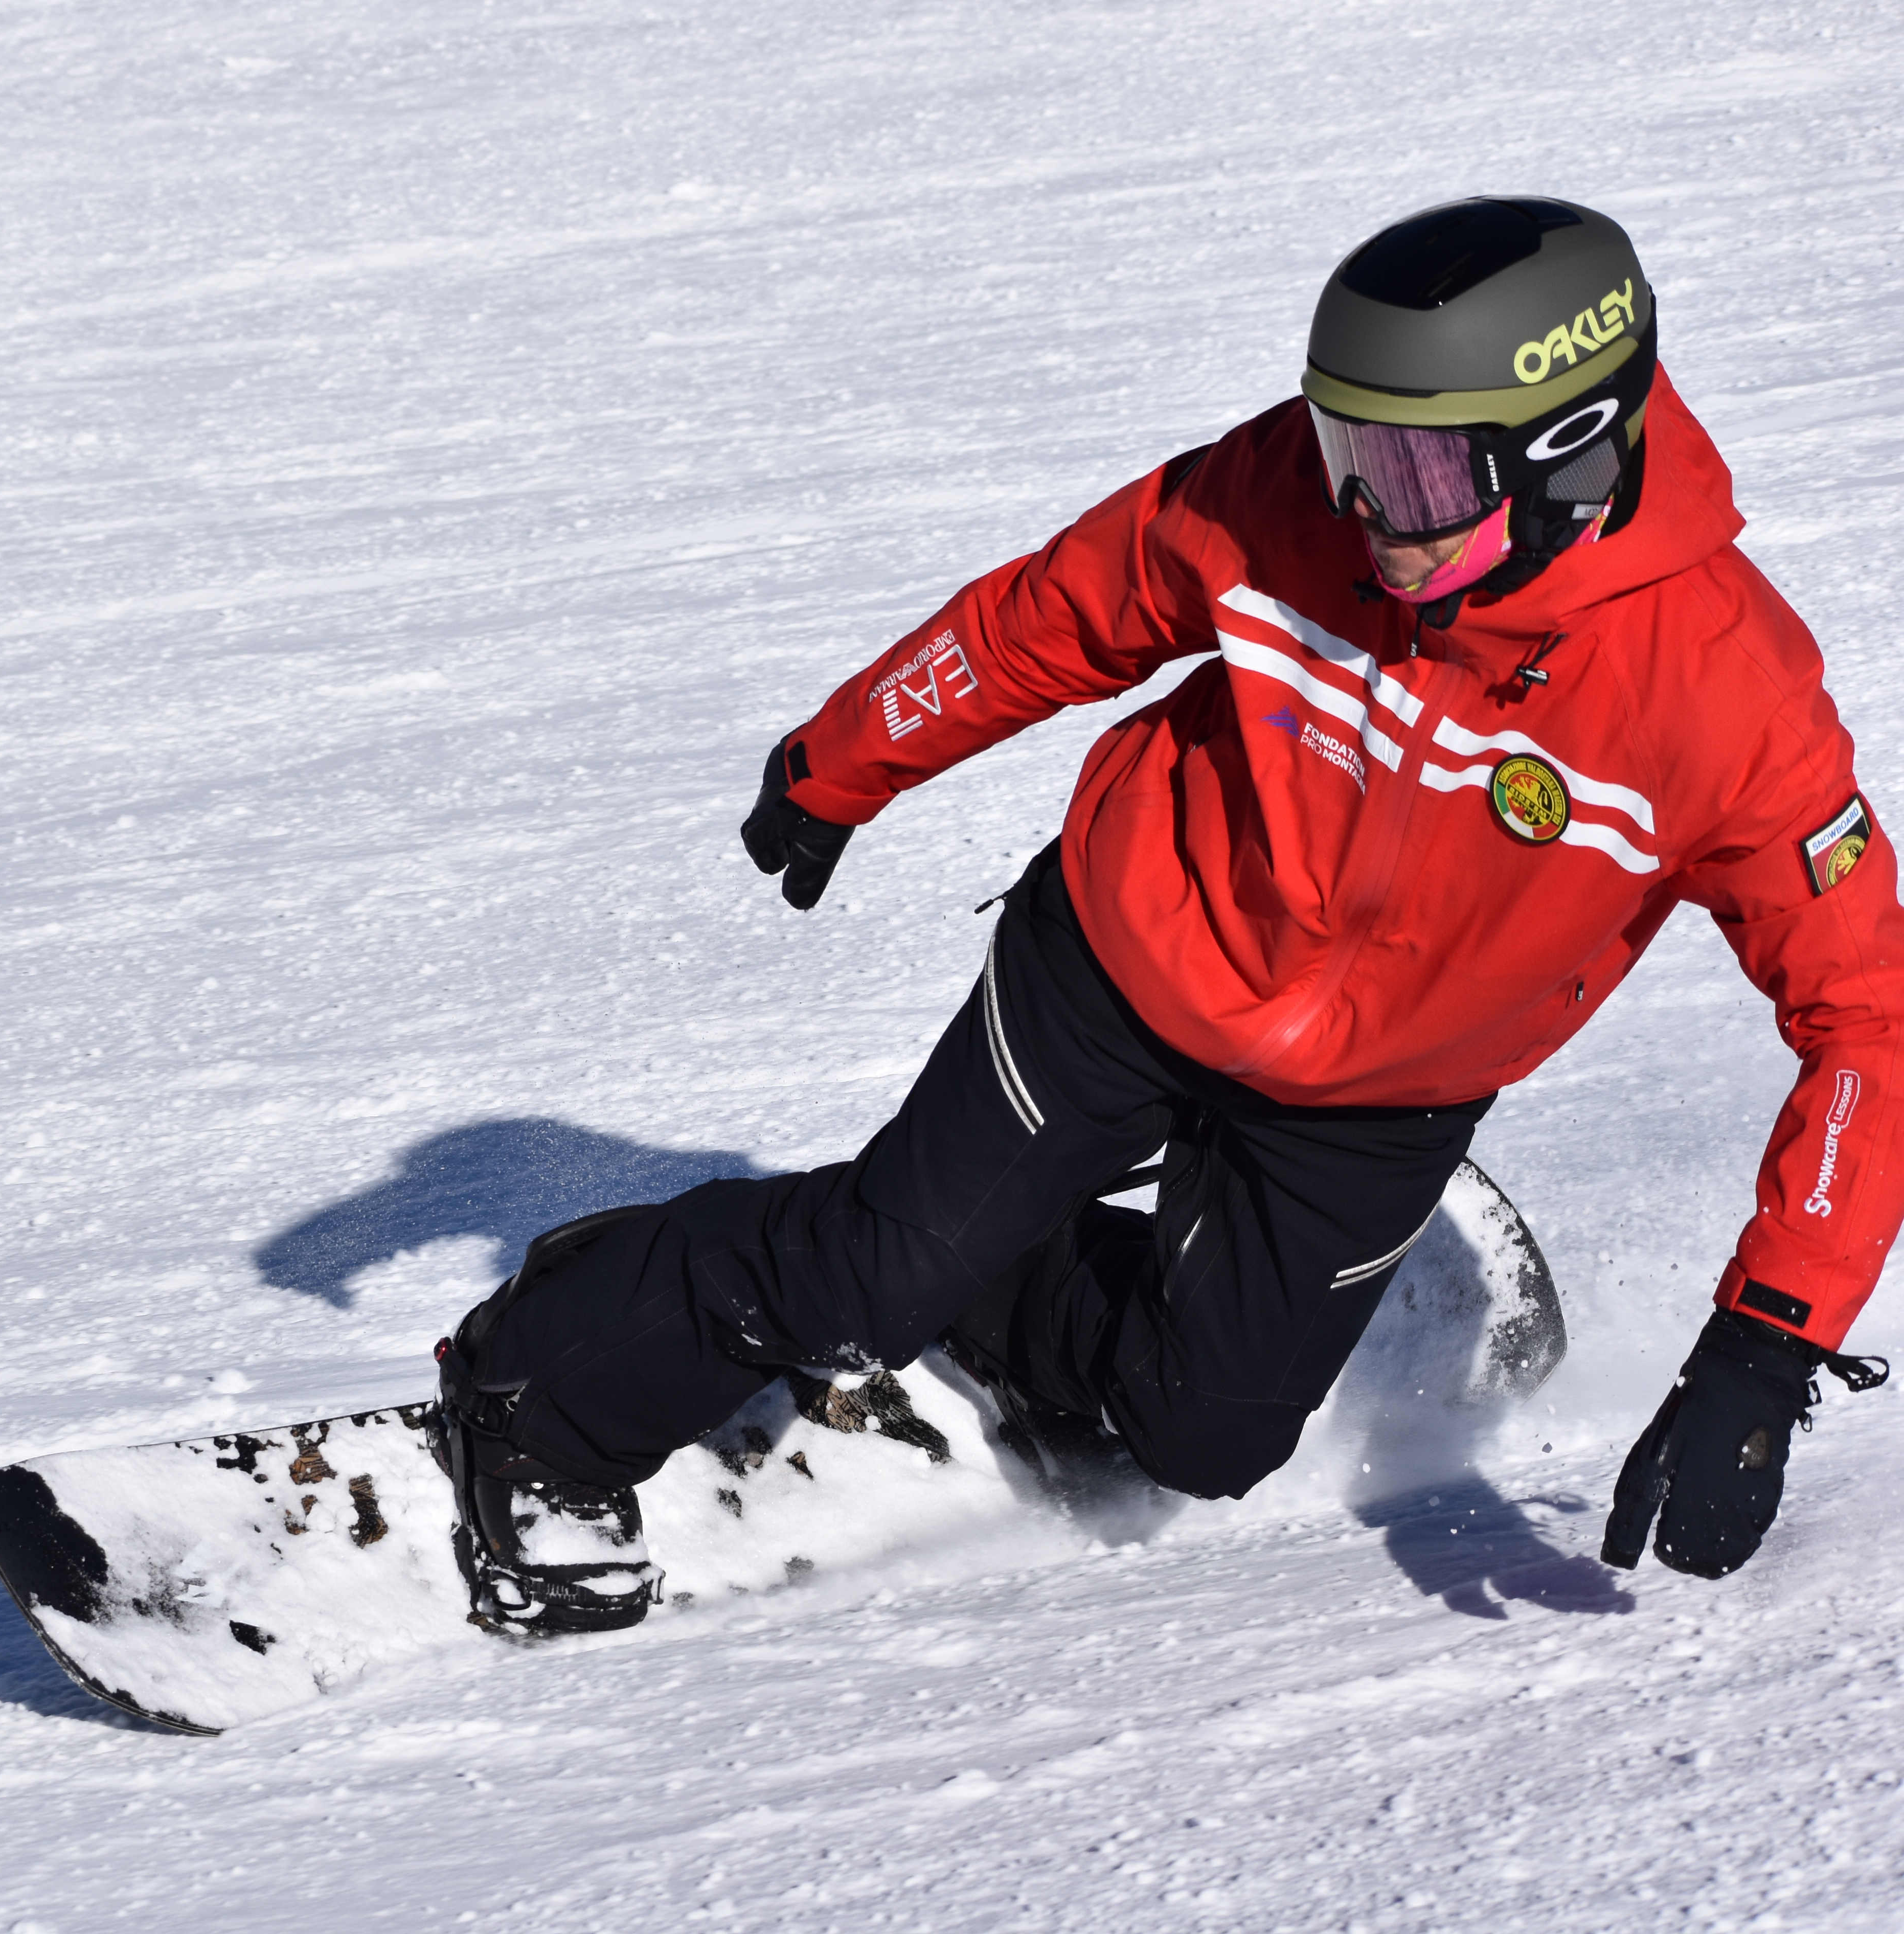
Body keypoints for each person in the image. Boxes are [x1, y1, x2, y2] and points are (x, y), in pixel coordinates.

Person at [425, 196, 1899, 1636]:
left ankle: (969, 1262)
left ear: (1574, 452)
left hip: (1381, 1094)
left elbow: (1869, 1027)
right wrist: (847, 757)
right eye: (1349, 450)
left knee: (1205, 1440)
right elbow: (1057, 612)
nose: (1368, 511)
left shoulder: (1728, 703)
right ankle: (541, 1392)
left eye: (1426, 477)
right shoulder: (1281, 497)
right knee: (874, 1271)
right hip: (1132, 955)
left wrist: (1764, 1349)